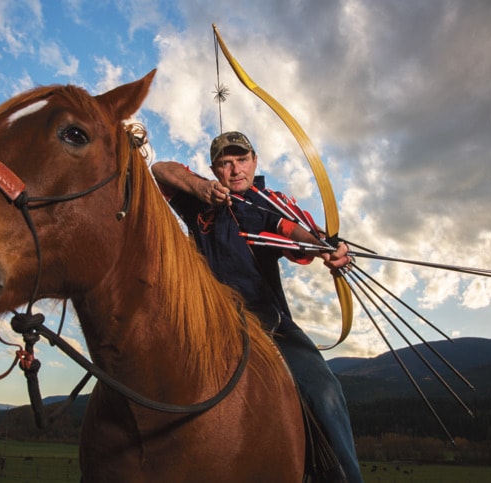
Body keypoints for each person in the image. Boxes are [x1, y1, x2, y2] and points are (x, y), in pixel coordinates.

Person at [151, 131, 363, 482]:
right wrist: (199, 187)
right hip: (208, 322)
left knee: (324, 390)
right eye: (225, 162)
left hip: (268, 322)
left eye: (242, 160)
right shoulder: (201, 199)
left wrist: (324, 248)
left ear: (255, 162)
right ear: (214, 169)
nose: (235, 170)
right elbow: (159, 169)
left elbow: (294, 231)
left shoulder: (266, 202)